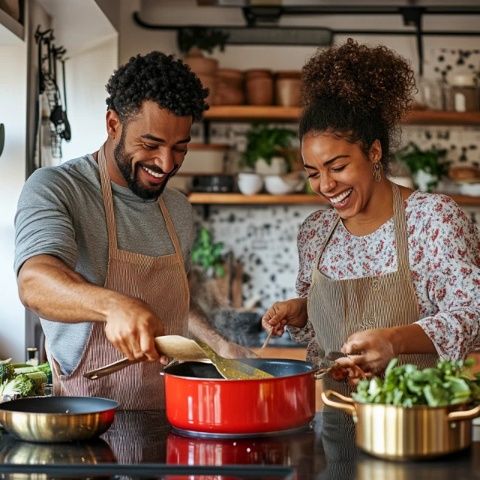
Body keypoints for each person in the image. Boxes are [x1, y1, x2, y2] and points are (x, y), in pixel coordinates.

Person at [15, 51, 251, 410]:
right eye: (150, 145)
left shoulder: (177, 209)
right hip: (88, 431)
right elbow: (34, 282)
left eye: (179, 148)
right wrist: (112, 306)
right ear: (113, 124)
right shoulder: (57, 188)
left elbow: (178, 306)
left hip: (172, 421)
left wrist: (219, 347)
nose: (166, 163)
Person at [262, 39, 480, 388]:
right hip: (336, 419)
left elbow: (474, 314)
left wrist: (394, 340)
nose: (326, 185)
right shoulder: (316, 232)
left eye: (338, 166)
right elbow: (320, 336)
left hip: (414, 419)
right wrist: (303, 309)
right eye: (313, 172)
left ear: (374, 152)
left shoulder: (431, 219)